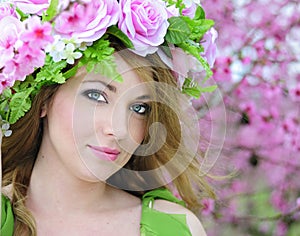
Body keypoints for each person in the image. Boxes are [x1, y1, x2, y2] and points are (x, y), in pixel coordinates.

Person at [1, 0, 217, 235]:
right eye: (96, 95)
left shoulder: (172, 228)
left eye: (139, 108)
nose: (119, 129)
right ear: (44, 99)